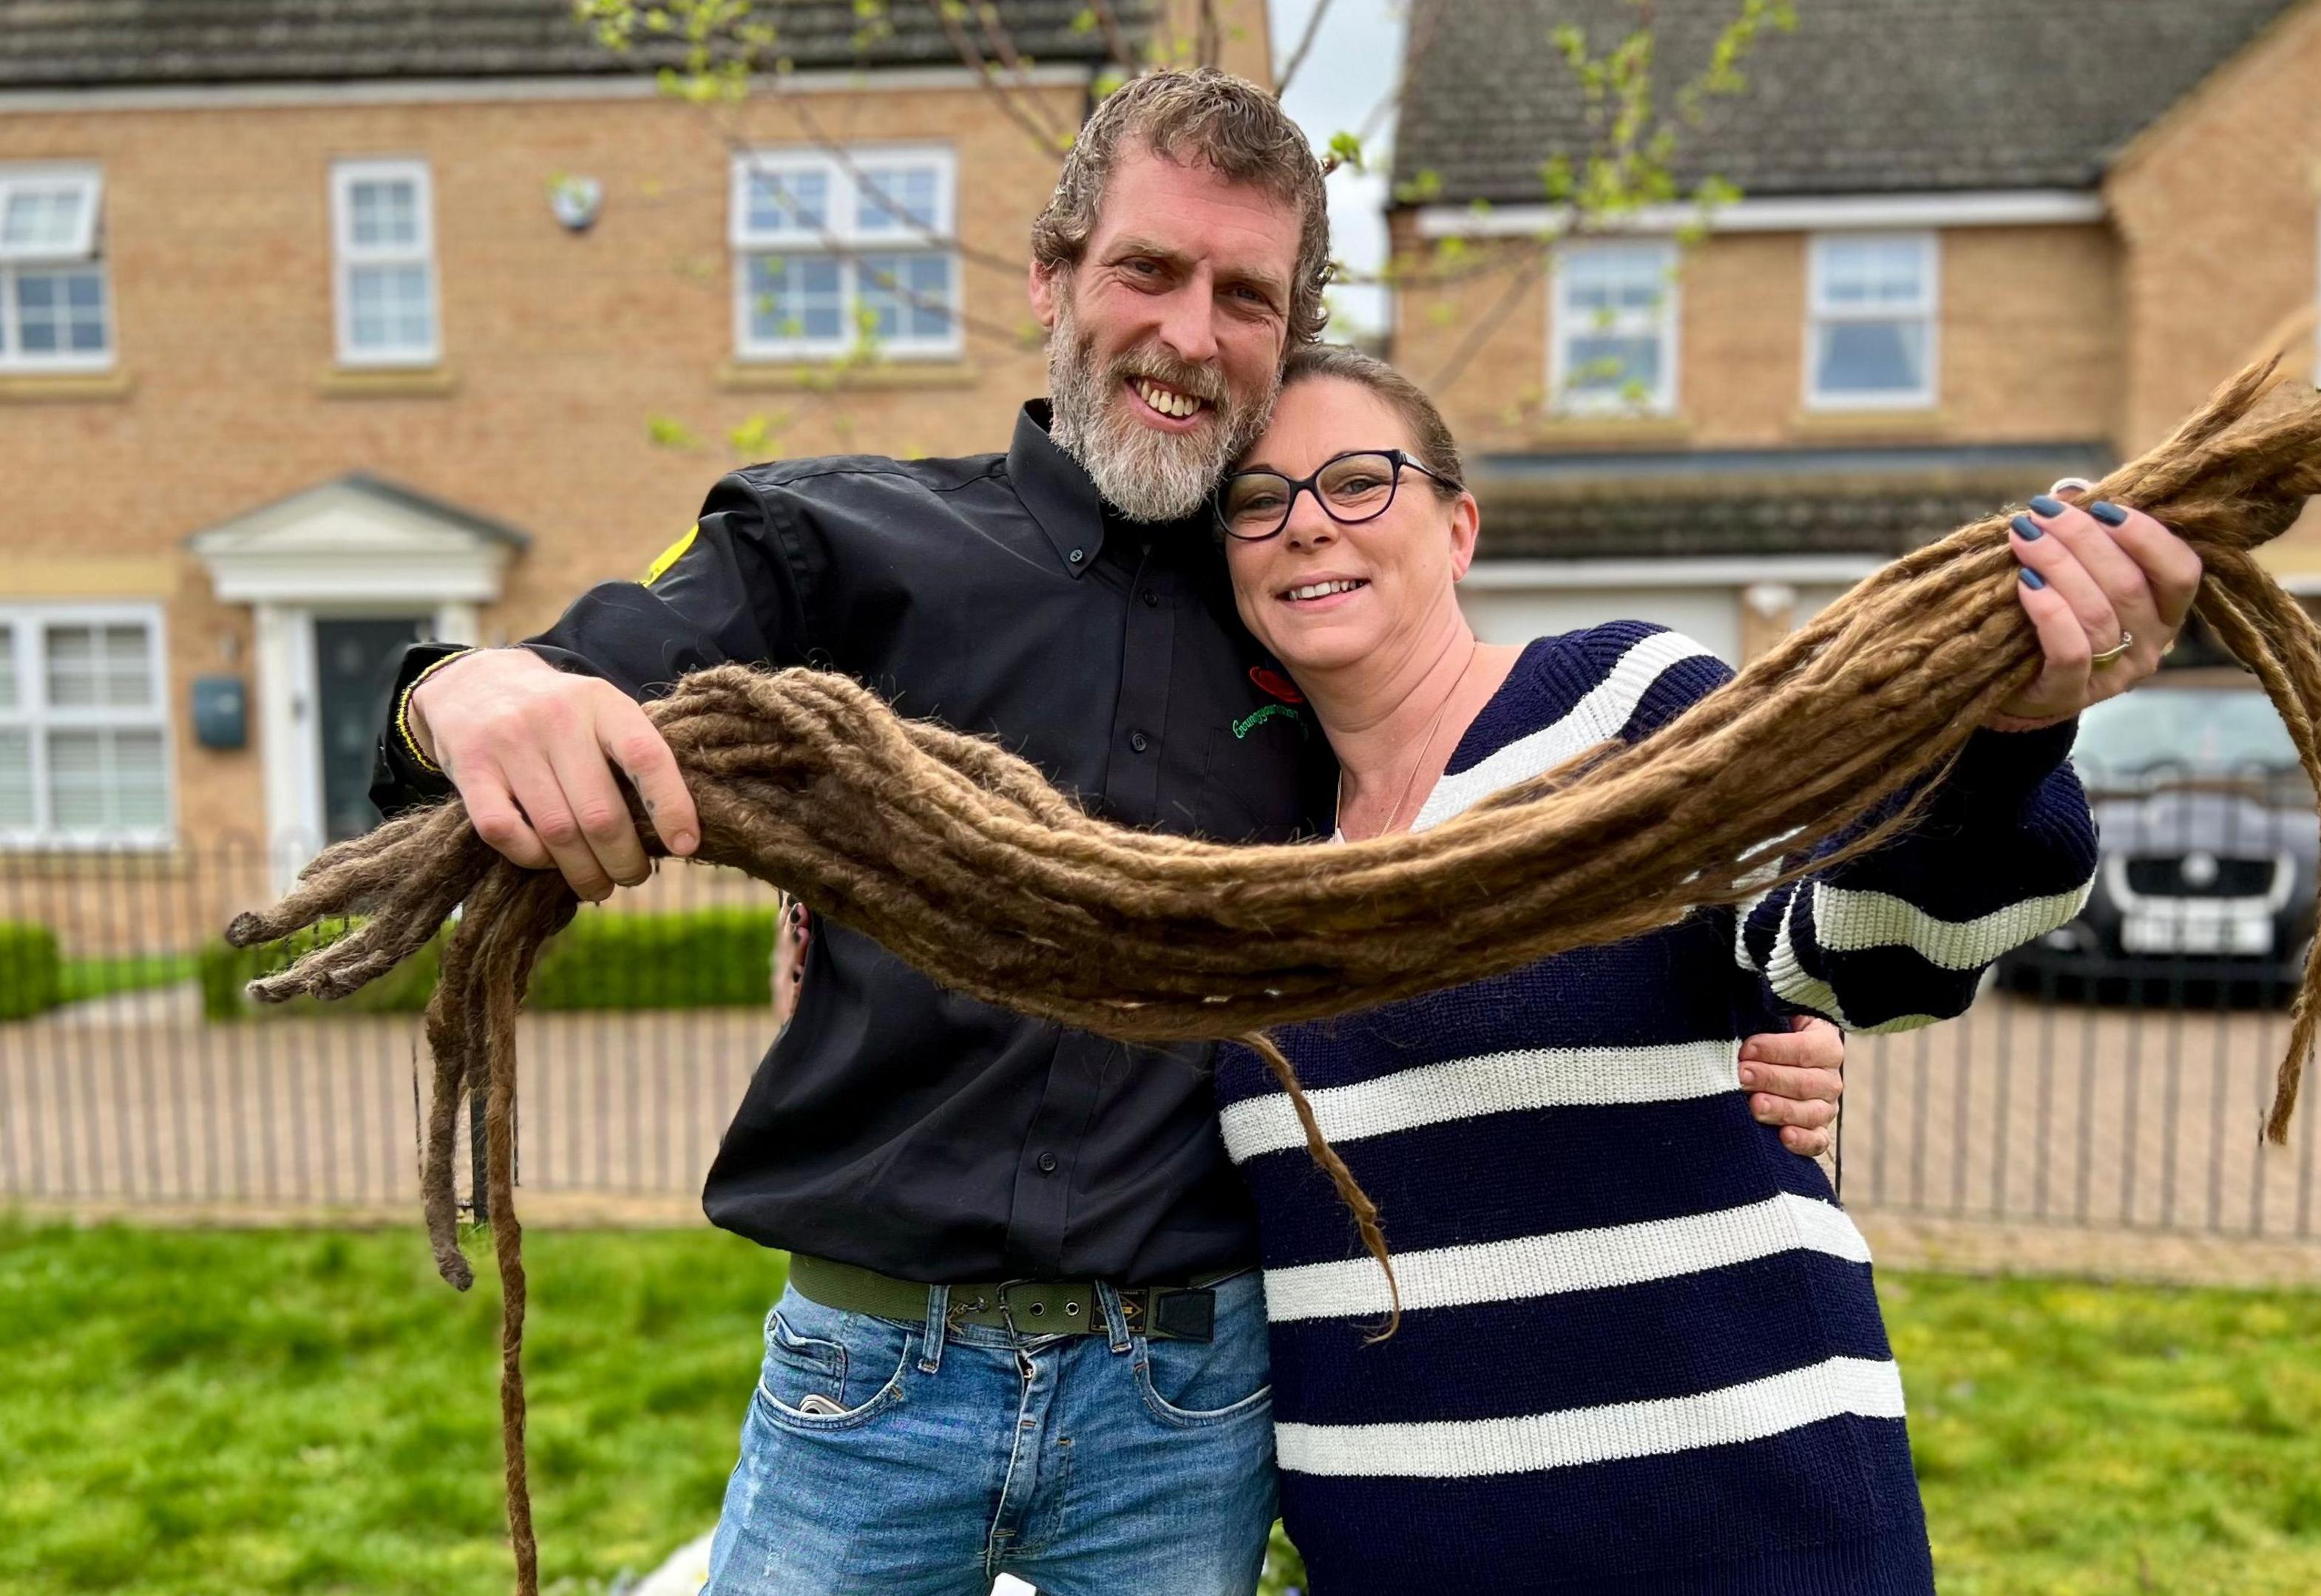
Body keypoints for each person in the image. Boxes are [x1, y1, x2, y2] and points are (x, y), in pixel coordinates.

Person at [370, 69, 1846, 1596]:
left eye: (1245, 295)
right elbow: (557, 680)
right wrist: (461, 691)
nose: (1191, 332)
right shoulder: (834, 540)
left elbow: (1471, 889)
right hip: (870, 1385)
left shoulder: (1306, 613)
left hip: (1187, 1412)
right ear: (1052, 274)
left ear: (1289, 332)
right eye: (1148, 269)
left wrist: (1747, 1029)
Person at [1204, 345, 2196, 1594]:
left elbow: (1854, 923)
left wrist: (1999, 744)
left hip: (1740, 1539)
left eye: (1357, 481)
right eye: (1259, 499)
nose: (1304, 526)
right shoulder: (1253, 870)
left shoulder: (1628, 705)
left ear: (1458, 530)